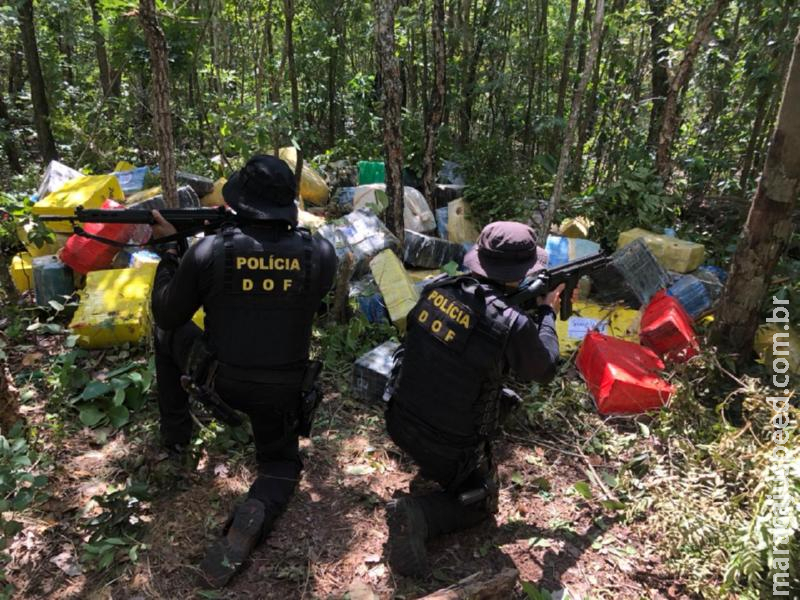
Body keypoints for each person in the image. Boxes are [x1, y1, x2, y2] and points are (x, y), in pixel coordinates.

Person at [149, 155, 337, 588]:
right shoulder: (320, 253)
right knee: (279, 467)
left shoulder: (210, 251)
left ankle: (176, 440)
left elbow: (169, 311)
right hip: (284, 389)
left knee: (164, 333)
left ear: (241, 201)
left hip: (222, 382)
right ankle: (259, 506)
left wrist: (171, 249)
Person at [382, 220, 562, 576]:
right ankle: (419, 515)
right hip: (449, 447)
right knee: (481, 502)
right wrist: (547, 312)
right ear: (520, 271)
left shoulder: (438, 287)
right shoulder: (512, 323)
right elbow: (545, 368)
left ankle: (433, 468)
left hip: (399, 420)